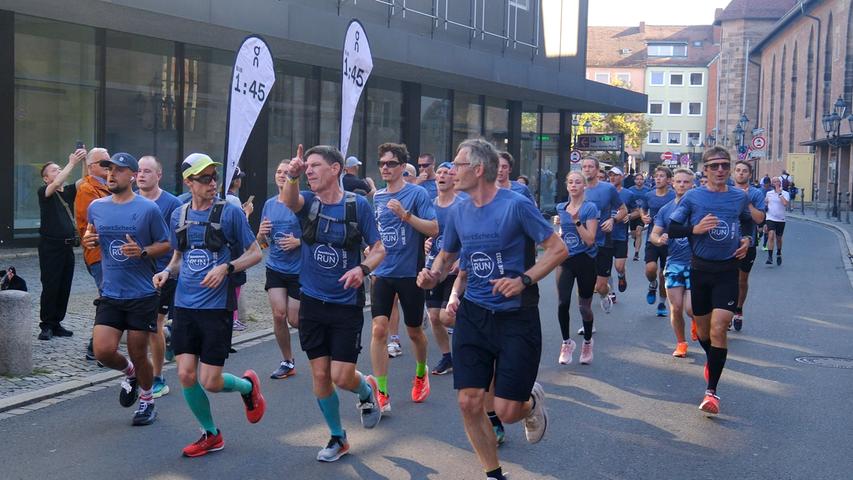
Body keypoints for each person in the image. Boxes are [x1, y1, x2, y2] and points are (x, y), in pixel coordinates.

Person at [418, 139, 567, 480]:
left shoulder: (516, 205)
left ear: (478, 169)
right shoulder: (457, 210)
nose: (451, 170)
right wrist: (434, 275)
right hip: (475, 313)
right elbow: (448, 253)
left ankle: (529, 403)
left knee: (507, 411)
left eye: (458, 164)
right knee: (468, 402)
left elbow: (558, 249)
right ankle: (493, 474)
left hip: (516, 316)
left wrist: (524, 280)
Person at [152, 153, 266, 457]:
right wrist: (165, 272)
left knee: (210, 381)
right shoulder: (179, 214)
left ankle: (247, 387)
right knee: (186, 374)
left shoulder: (230, 213)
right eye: (204, 178)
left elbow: (256, 253)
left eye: (214, 177)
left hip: (216, 308)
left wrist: (227, 268)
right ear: (189, 182)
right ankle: (211, 434)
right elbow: (178, 257)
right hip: (185, 306)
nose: (212, 183)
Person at [282, 144, 385, 462]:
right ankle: (338, 437)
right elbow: (289, 199)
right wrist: (293, 175)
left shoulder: (358, 206)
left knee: (342, 376)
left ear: (336, 169)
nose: (310, 170)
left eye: (315, 165)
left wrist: (363, 268)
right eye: (307, 166)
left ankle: (366, 391)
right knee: (321, 376)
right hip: (312, 300)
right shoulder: (308, 202)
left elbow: (379, 248)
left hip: (345, 304)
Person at [82, 152, 170, 426]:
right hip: (110, 293)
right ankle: (130, 373)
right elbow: (89, 234)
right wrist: (88, 240)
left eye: (118, 170)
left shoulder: (148, 209)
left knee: (137, 350)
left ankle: (146, 400)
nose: (111, 174)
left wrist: (143, 251)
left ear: (132, 176)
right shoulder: (97, 206)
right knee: (103, 351)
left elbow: (165, 244)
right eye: (108, 169)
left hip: (141, 294)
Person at [668, 146, 753, 415]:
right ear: (704, 170)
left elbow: (749, 223)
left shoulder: (739, 197)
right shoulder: (693, 197)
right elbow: (671, 229)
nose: (720, 170)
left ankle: (711, 392)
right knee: (704, 333)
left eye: (725, 166)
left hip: (728, 270)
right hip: (700, 270)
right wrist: (693, 229)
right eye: (714, 166)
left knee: (719, 328)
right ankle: (711, 356)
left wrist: (748, 240)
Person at [370, 143, 438, 413]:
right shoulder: (376, 197)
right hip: (384, 272)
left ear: (401, 167)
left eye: (391, 163)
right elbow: (375, 231)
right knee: (378, 329)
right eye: (382, 163)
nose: (385, 168)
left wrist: (405, 215)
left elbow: (434, 228)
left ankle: (421, 372)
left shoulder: (417, 193)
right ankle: (382, 391)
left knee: (414, 332)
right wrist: (371, 248)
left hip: (410, 272)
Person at [136, 155, 183, 398]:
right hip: (134, 273)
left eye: (147, 171)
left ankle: (158, 378)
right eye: (139, 171)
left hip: (163, 272)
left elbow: (179, 243)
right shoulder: (129, 201)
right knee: (138, 328)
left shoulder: (172, 203)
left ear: (159, 175)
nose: (141, 175)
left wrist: (170, 268)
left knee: (154, 325)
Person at [258, 159, 302, 379]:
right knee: (278, 315)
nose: (281, 174)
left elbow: (316, 235)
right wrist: (261, 233)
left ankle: (320, 337)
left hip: (299, 269)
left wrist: (299, 242)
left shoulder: (301, 202)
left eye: (286, 171)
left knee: (295, 320)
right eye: (278, 170)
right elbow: (263, 244)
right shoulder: (269, 204)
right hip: (275, 266)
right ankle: (287, 361)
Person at [37, 149, 85, 340]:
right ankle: (46, 325)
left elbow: (85, 181)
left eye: (59, 169)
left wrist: (83, 161)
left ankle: (57, 323)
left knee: (65, 285)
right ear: (46, 178)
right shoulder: (44, 192)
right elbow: (57, 183)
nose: (58, 172)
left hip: (67, 247)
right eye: (54, 170)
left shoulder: (68, 191)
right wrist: (71, 162)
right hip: (50, 247)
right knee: (51, 285)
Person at [650, 168, 695, 357]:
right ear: (673, 184)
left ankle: (695, 322)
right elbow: (653, 234)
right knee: (676, 308)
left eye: (686, 182)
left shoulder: (699, 207)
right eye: (679, 182)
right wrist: (659, 240)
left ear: (693, 185)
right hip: (674, 262)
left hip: (696, 263)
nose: (682, 185)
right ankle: (681, 342)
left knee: (691, 309)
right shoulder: (665, 209)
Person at [555, 171, 599, 365]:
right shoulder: (561, 207)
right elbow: (562, 235)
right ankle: (566, 342)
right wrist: (559, 229)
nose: (573, 185)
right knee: (562, 303)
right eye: (570, 182)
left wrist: (576, 220)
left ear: (584, 186)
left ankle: (588, 341)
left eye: (577, 182)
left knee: (584, 307)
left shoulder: (590, 208)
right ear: (567, 186)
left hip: (585, 260)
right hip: (566, 259)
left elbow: (590, 240)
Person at [424, 162, 463, 376]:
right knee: (433, 316)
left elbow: (469, 234)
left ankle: (475, 335)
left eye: (447, 173)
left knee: (447, 316)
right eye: (439, 172)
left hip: (456, 267)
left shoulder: (462, 204)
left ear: (454, 178)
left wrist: (463, 257)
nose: (442, 176)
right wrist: (425, 243)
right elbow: (426, 231)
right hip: (434, 266)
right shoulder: (430, 205)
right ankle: (447, 357)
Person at [580, 158, 627, 321]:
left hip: (603, 242)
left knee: (600, 286)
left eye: (590, 166)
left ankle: (604, 295)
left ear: (597, 169)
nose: (587, 169)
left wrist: (613, 220)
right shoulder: (576, 187)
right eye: (584, 166)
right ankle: (588, 324)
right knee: (585, 287)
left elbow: (623, 210)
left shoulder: (608, 189)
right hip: (582, 244)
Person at [76, 147, 111, 358]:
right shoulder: (88, 189)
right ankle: (95, 347)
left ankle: (100, 345)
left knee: (111, 298)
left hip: (112, 254)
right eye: (105, 164)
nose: (110, 167)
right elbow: (92, 225)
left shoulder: (110, 186)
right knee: (108, 299)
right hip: (98, 255)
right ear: (91, 167)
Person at [732, 161, 766, 332]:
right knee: (726, 278)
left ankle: (738, 309)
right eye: (738, 170)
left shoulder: (756, 193)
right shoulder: (726, 190)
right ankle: (726, 310)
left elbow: (760, 219)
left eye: (744, 171)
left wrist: (747, 202)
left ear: (750, 175)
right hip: (726, 242)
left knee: (741, 280)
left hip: (748, 242)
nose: (741, 174)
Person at [640, 166, 675, 317]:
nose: (658, 178)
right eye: (656, 176)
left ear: (668, 180)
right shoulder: (649, 195)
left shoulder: (674, 196)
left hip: (670, 239)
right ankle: (652, 284)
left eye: (662, 176)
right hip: (653, 237)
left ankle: (661, 302)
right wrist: (643, 217)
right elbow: (643, 209)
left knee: (664, 274)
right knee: (651, 269)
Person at [608, 167, 634, 300]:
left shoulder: (628, 194)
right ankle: (611, 292)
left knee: (619, 266)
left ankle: (621, 275)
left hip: (620, 236)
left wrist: (629, 215)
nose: (612, 178)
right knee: (605, 267)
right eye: (610, 175)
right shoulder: (605, 192)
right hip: (605, 236)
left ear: (622, 177)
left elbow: (637, 211)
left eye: (616, 175)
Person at [765, 177, 789, 266]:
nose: (776, 183)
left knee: (779, 239)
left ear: (780, 183)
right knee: (771, 235)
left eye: (777, 181)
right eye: (774, 182)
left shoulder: (785, 193)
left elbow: (785, 203)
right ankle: (769, 257)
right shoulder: (769, 193)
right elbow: (766, 204)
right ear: (772, 184)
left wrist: (779, 193)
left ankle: (778, 253)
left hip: (781, 219)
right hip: (770, 217)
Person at [628, 173, 649, 261]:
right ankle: (636, 239)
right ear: (635, 180)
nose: (639, 181)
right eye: (637, 179)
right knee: (634, 234)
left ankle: (636, 253)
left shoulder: (647, 190)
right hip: (633, 214)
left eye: (641, 179)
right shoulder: (630, 190)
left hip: (643, 214)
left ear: (643, 180)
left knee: (639, 231)